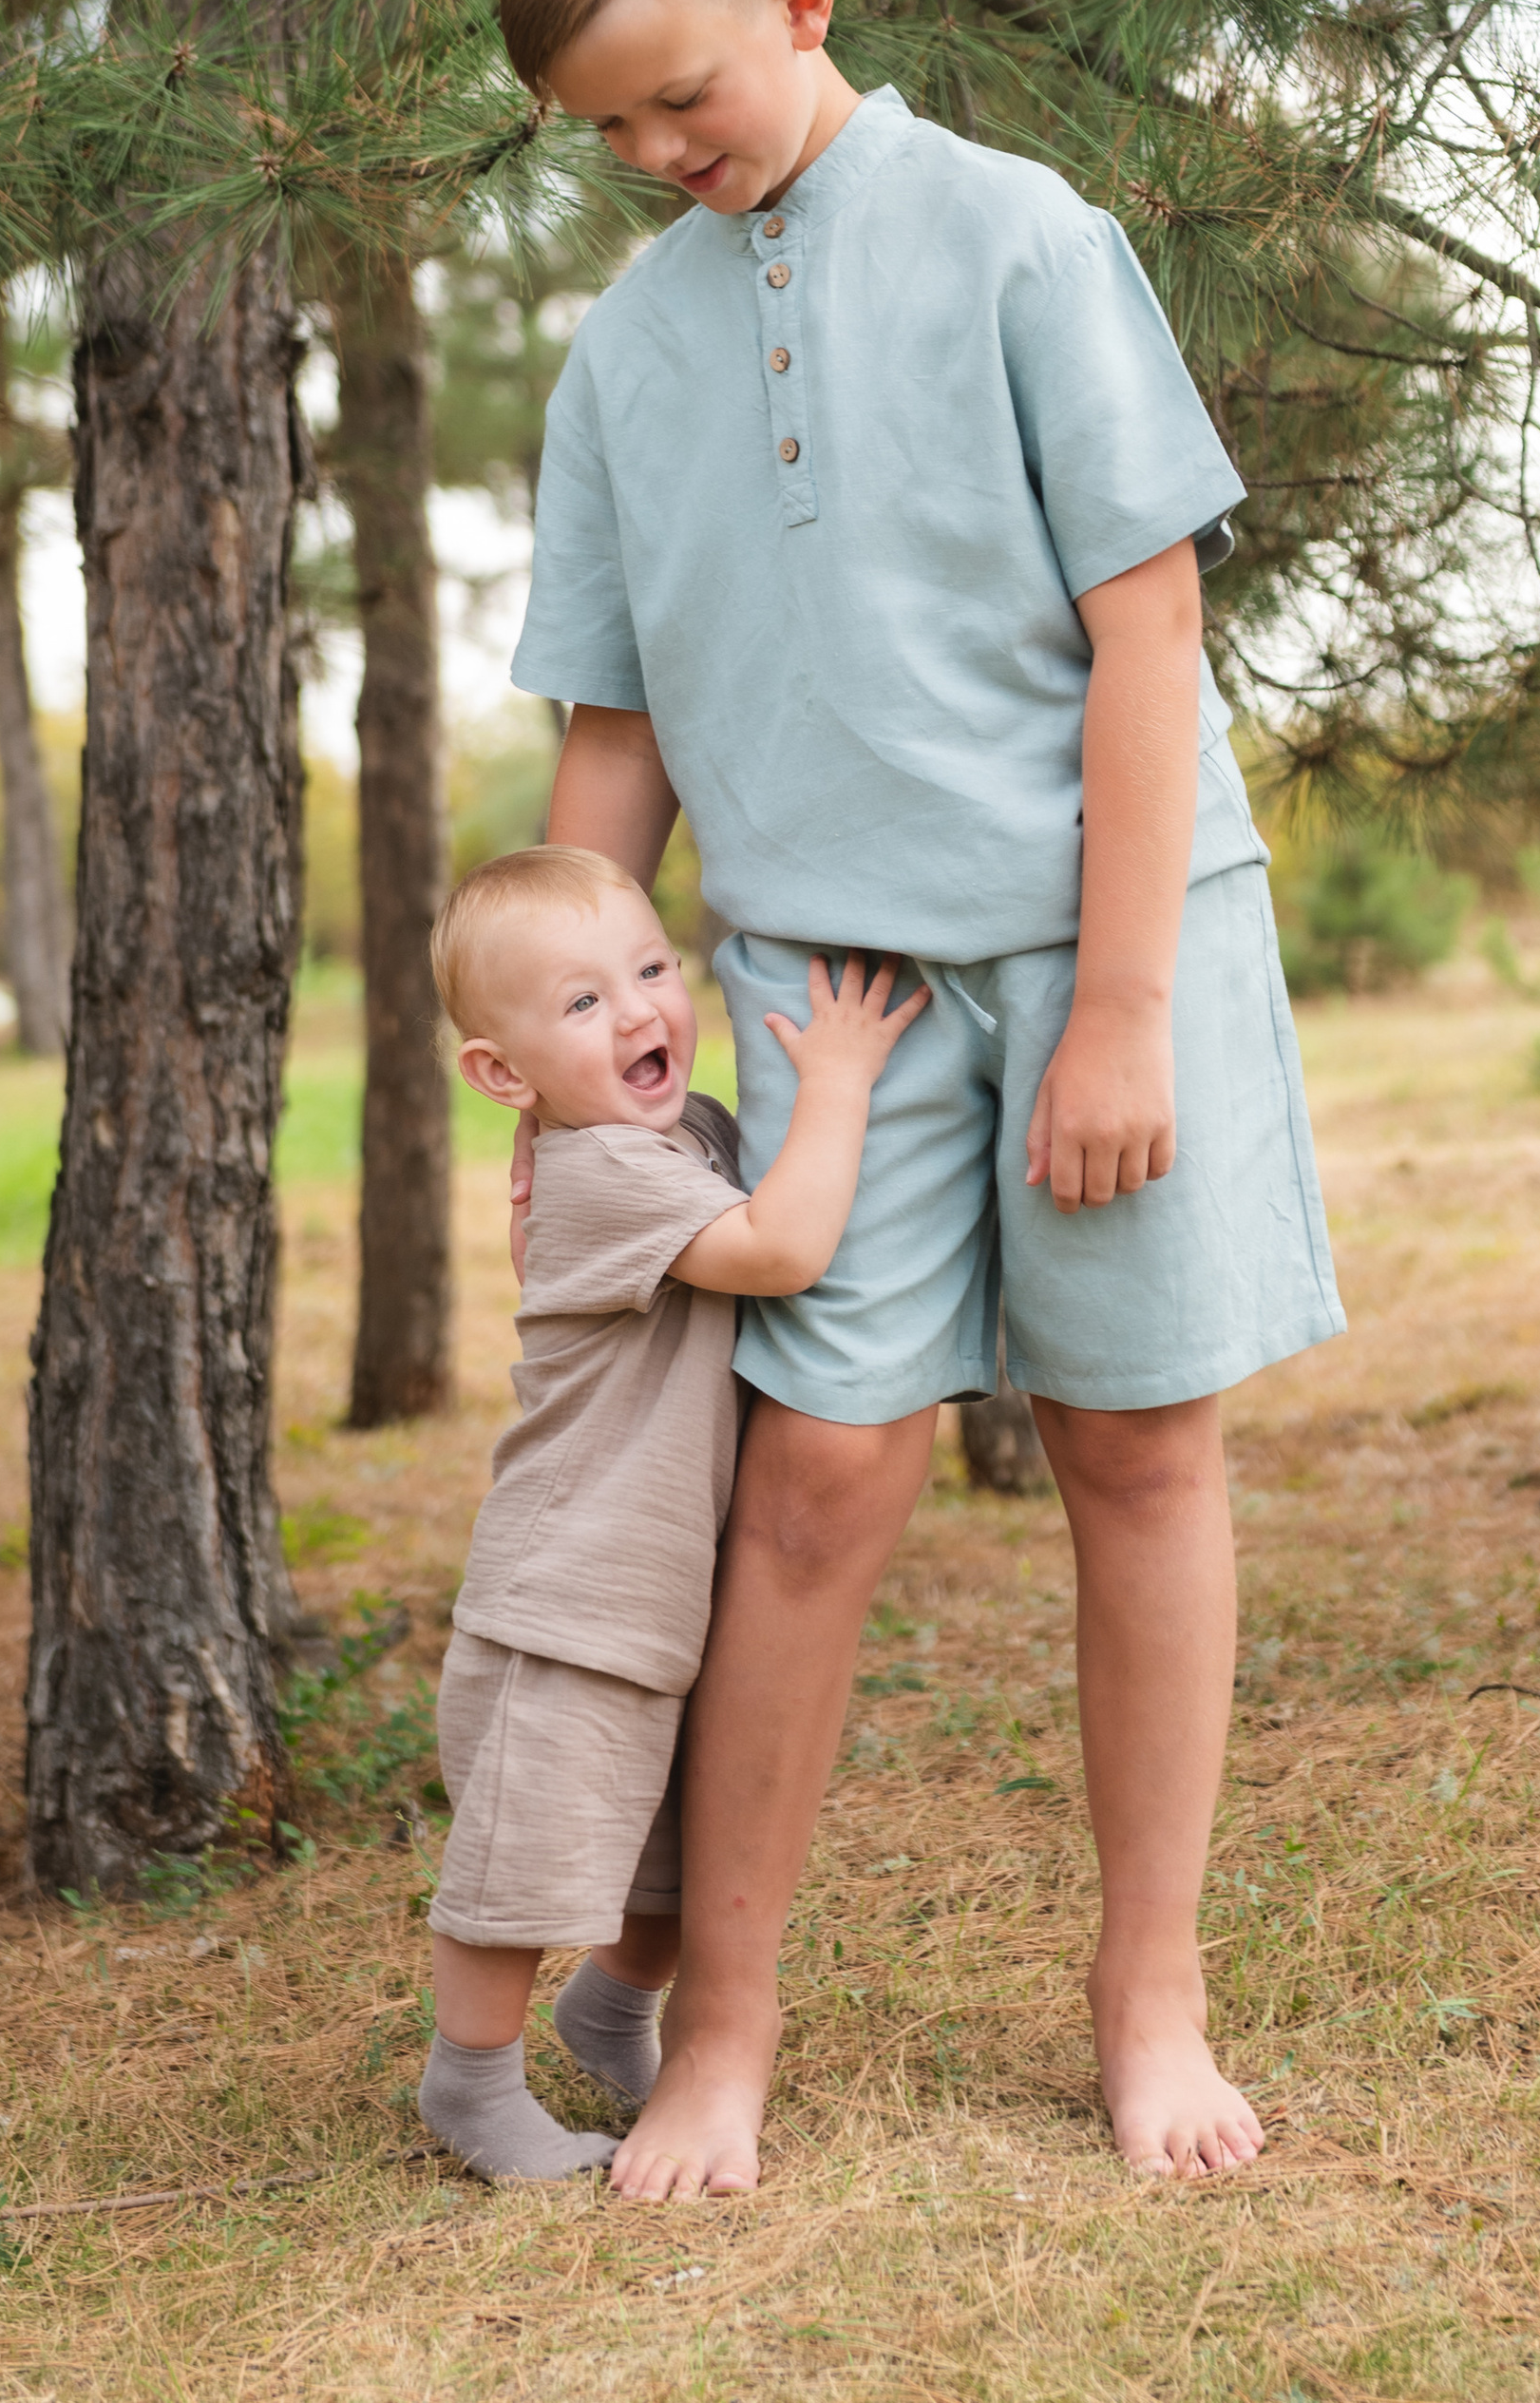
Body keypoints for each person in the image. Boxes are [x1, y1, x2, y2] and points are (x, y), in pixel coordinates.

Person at [500, 0, 1345, 2197]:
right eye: (606, 128)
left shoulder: (1018, 241)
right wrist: (592, 1062)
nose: (657, 149)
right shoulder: (618, 360)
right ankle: (727, 2024)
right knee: (816, 1482)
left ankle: (1146, 1994)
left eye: (685, 95)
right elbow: (615, 741)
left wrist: (1109, 1007)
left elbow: (1145, 627)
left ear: (799, 1)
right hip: (810, 1002)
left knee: (1138, 1445)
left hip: (1106, 952)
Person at [414, 839, 924, 2183]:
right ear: (502, 1073)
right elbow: (783, 1246)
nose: (641, 1009)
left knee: (668, 1863)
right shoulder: (601, 1172)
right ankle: (470, 2083)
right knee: (526, 1868)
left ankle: (612, 2008)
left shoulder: (667, 1131)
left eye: (650, 967)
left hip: (657, 1598)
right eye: (583, 1002)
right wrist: (843, 1082)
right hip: (566, 1602)